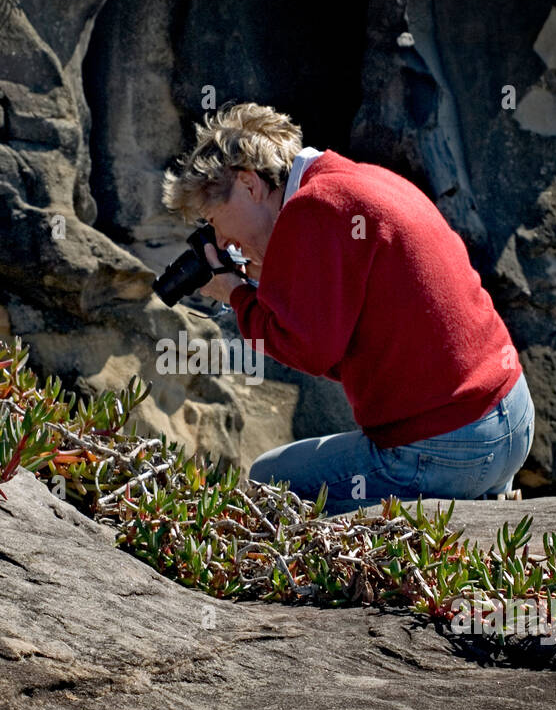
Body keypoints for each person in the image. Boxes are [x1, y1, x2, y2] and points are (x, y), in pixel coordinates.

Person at [161, 102, 534, 516]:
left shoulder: (314, 209)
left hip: (453, 443)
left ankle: (457, 493)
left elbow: (308, 349)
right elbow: (344, 337)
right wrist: (273, 280)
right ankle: (476, 500)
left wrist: (234, 292)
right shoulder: (354, 180)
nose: (221, 238)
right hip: (510, 415)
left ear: (249, 185)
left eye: (214, 219)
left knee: (270, 482)